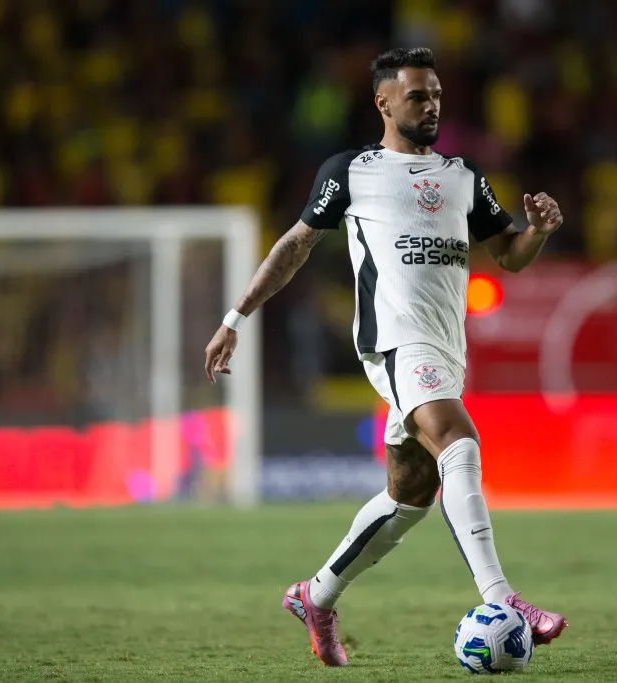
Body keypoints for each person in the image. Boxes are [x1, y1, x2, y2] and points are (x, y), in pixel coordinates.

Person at [204, 47, 567, 666]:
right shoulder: (351, 171)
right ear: (385, 102)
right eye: (418, 96)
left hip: (445, 347)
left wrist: (538, 231)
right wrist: (236, 317)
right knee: (460, 442)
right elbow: (295, 245)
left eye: (437, 96)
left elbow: (507, 253)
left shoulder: (462, 175)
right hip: (393, 341)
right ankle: (505, 600)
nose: (432, 107)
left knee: (412, 495)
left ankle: (315, 596)